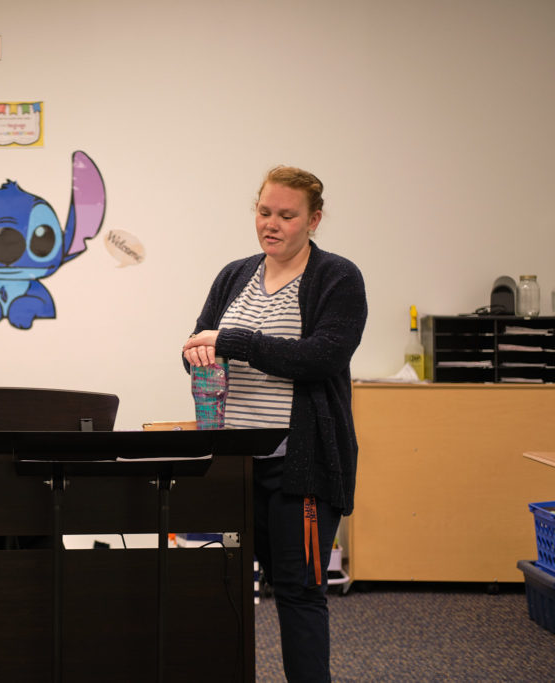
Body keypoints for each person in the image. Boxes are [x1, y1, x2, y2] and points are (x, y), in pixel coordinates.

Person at [182, 166, 367, 682]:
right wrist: (196, 352)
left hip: (299, 468)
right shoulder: (234, 275)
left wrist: (230, 342)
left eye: (287, 215)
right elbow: (203, 341)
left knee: (299, 591)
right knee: (227, 590)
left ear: (314, 219)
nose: (272, 224)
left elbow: (321, 358)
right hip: (234, 464)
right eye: (264, 212)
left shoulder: (337, 277)